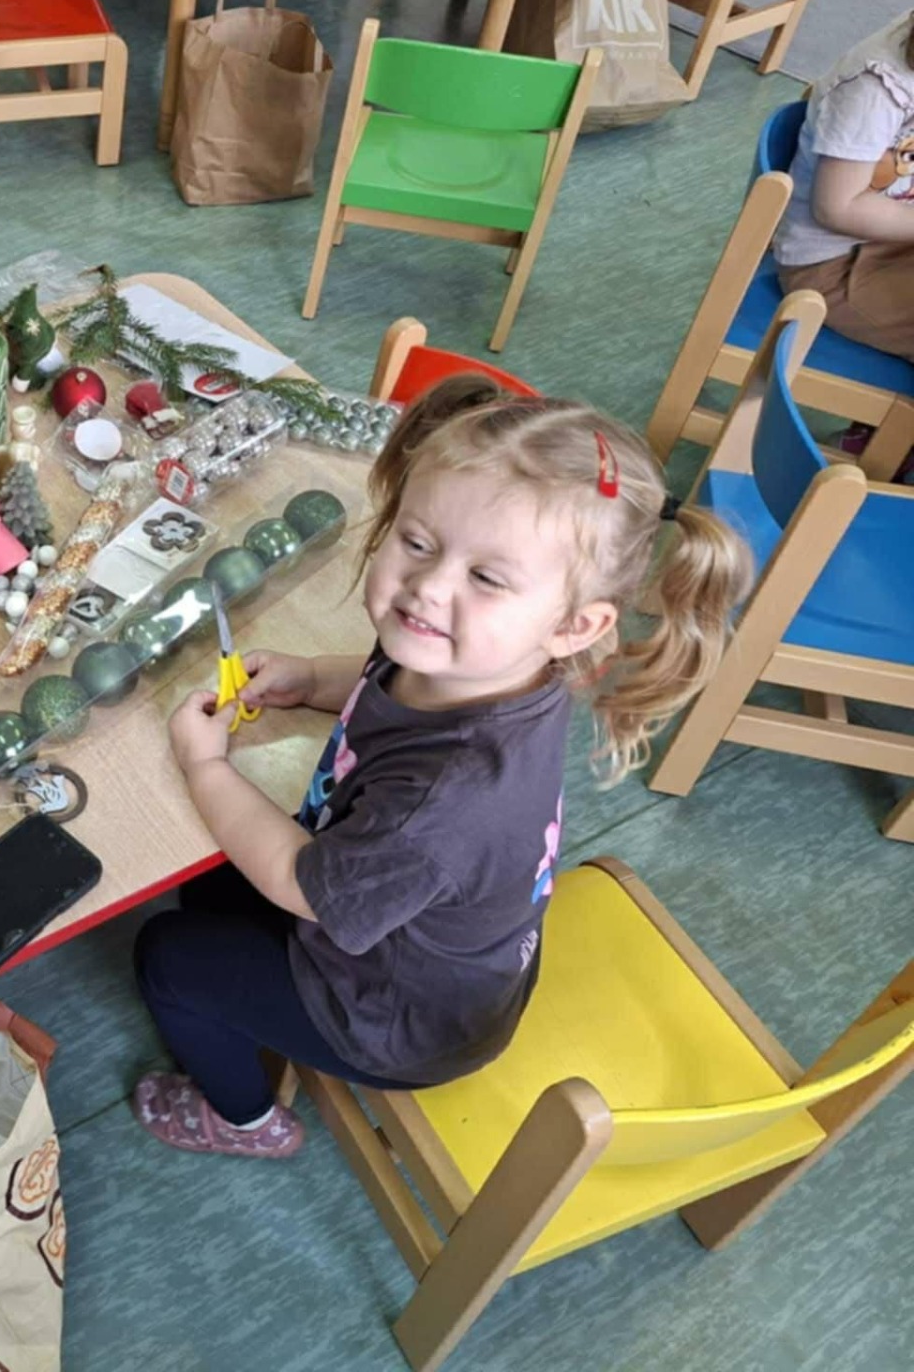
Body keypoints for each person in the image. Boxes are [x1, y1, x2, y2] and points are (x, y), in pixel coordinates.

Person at [129, 379, 752, 1158]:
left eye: (487, 578)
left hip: (393, 1023)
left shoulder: (445, 802)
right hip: (419, 947)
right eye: (417, 542)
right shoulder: (488, 660)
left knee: (168, 955)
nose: (427, 587)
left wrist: (205, 768)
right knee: (207, 882)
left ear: (573, 626)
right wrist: (312, 678)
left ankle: (243, 1119)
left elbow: (302, 885)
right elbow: (387, 678)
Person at [772, 10, 914, 480]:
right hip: (834, 266)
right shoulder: (876, 88)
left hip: (888, 239)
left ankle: (886, 437)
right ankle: (886, 442)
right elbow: (836, 208)